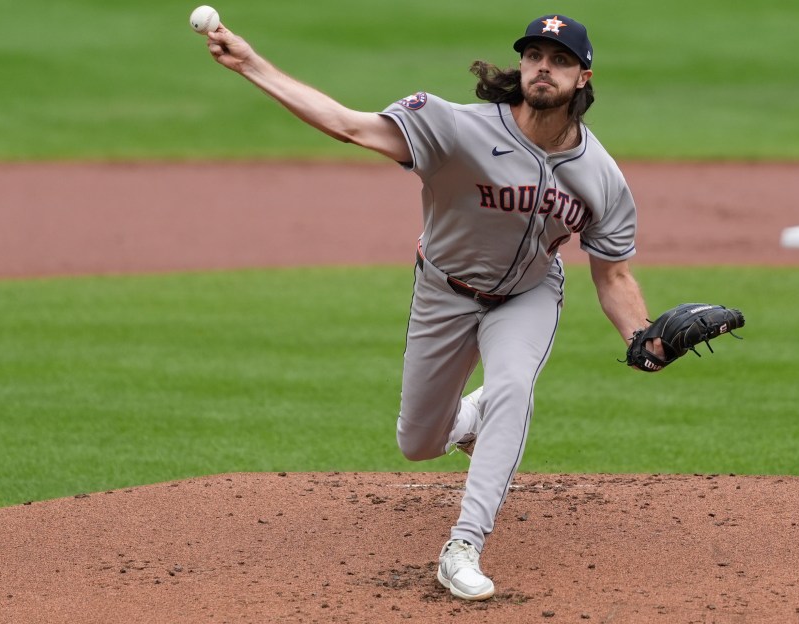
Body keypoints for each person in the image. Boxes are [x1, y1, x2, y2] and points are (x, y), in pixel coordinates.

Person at [203, 13, 663, 601]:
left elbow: (614, 273)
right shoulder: (454, 126)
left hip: (528, 296)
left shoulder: (601, 176)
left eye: (560, 59)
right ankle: (471, 421)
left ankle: (463, 545)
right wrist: (251, 64)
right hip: (443, 293)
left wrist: (641, 333)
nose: (543, 67)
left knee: (513, 388)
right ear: (521, 65)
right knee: (418, 443)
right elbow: (348, 126)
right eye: (533, 55)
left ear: (584, 77)